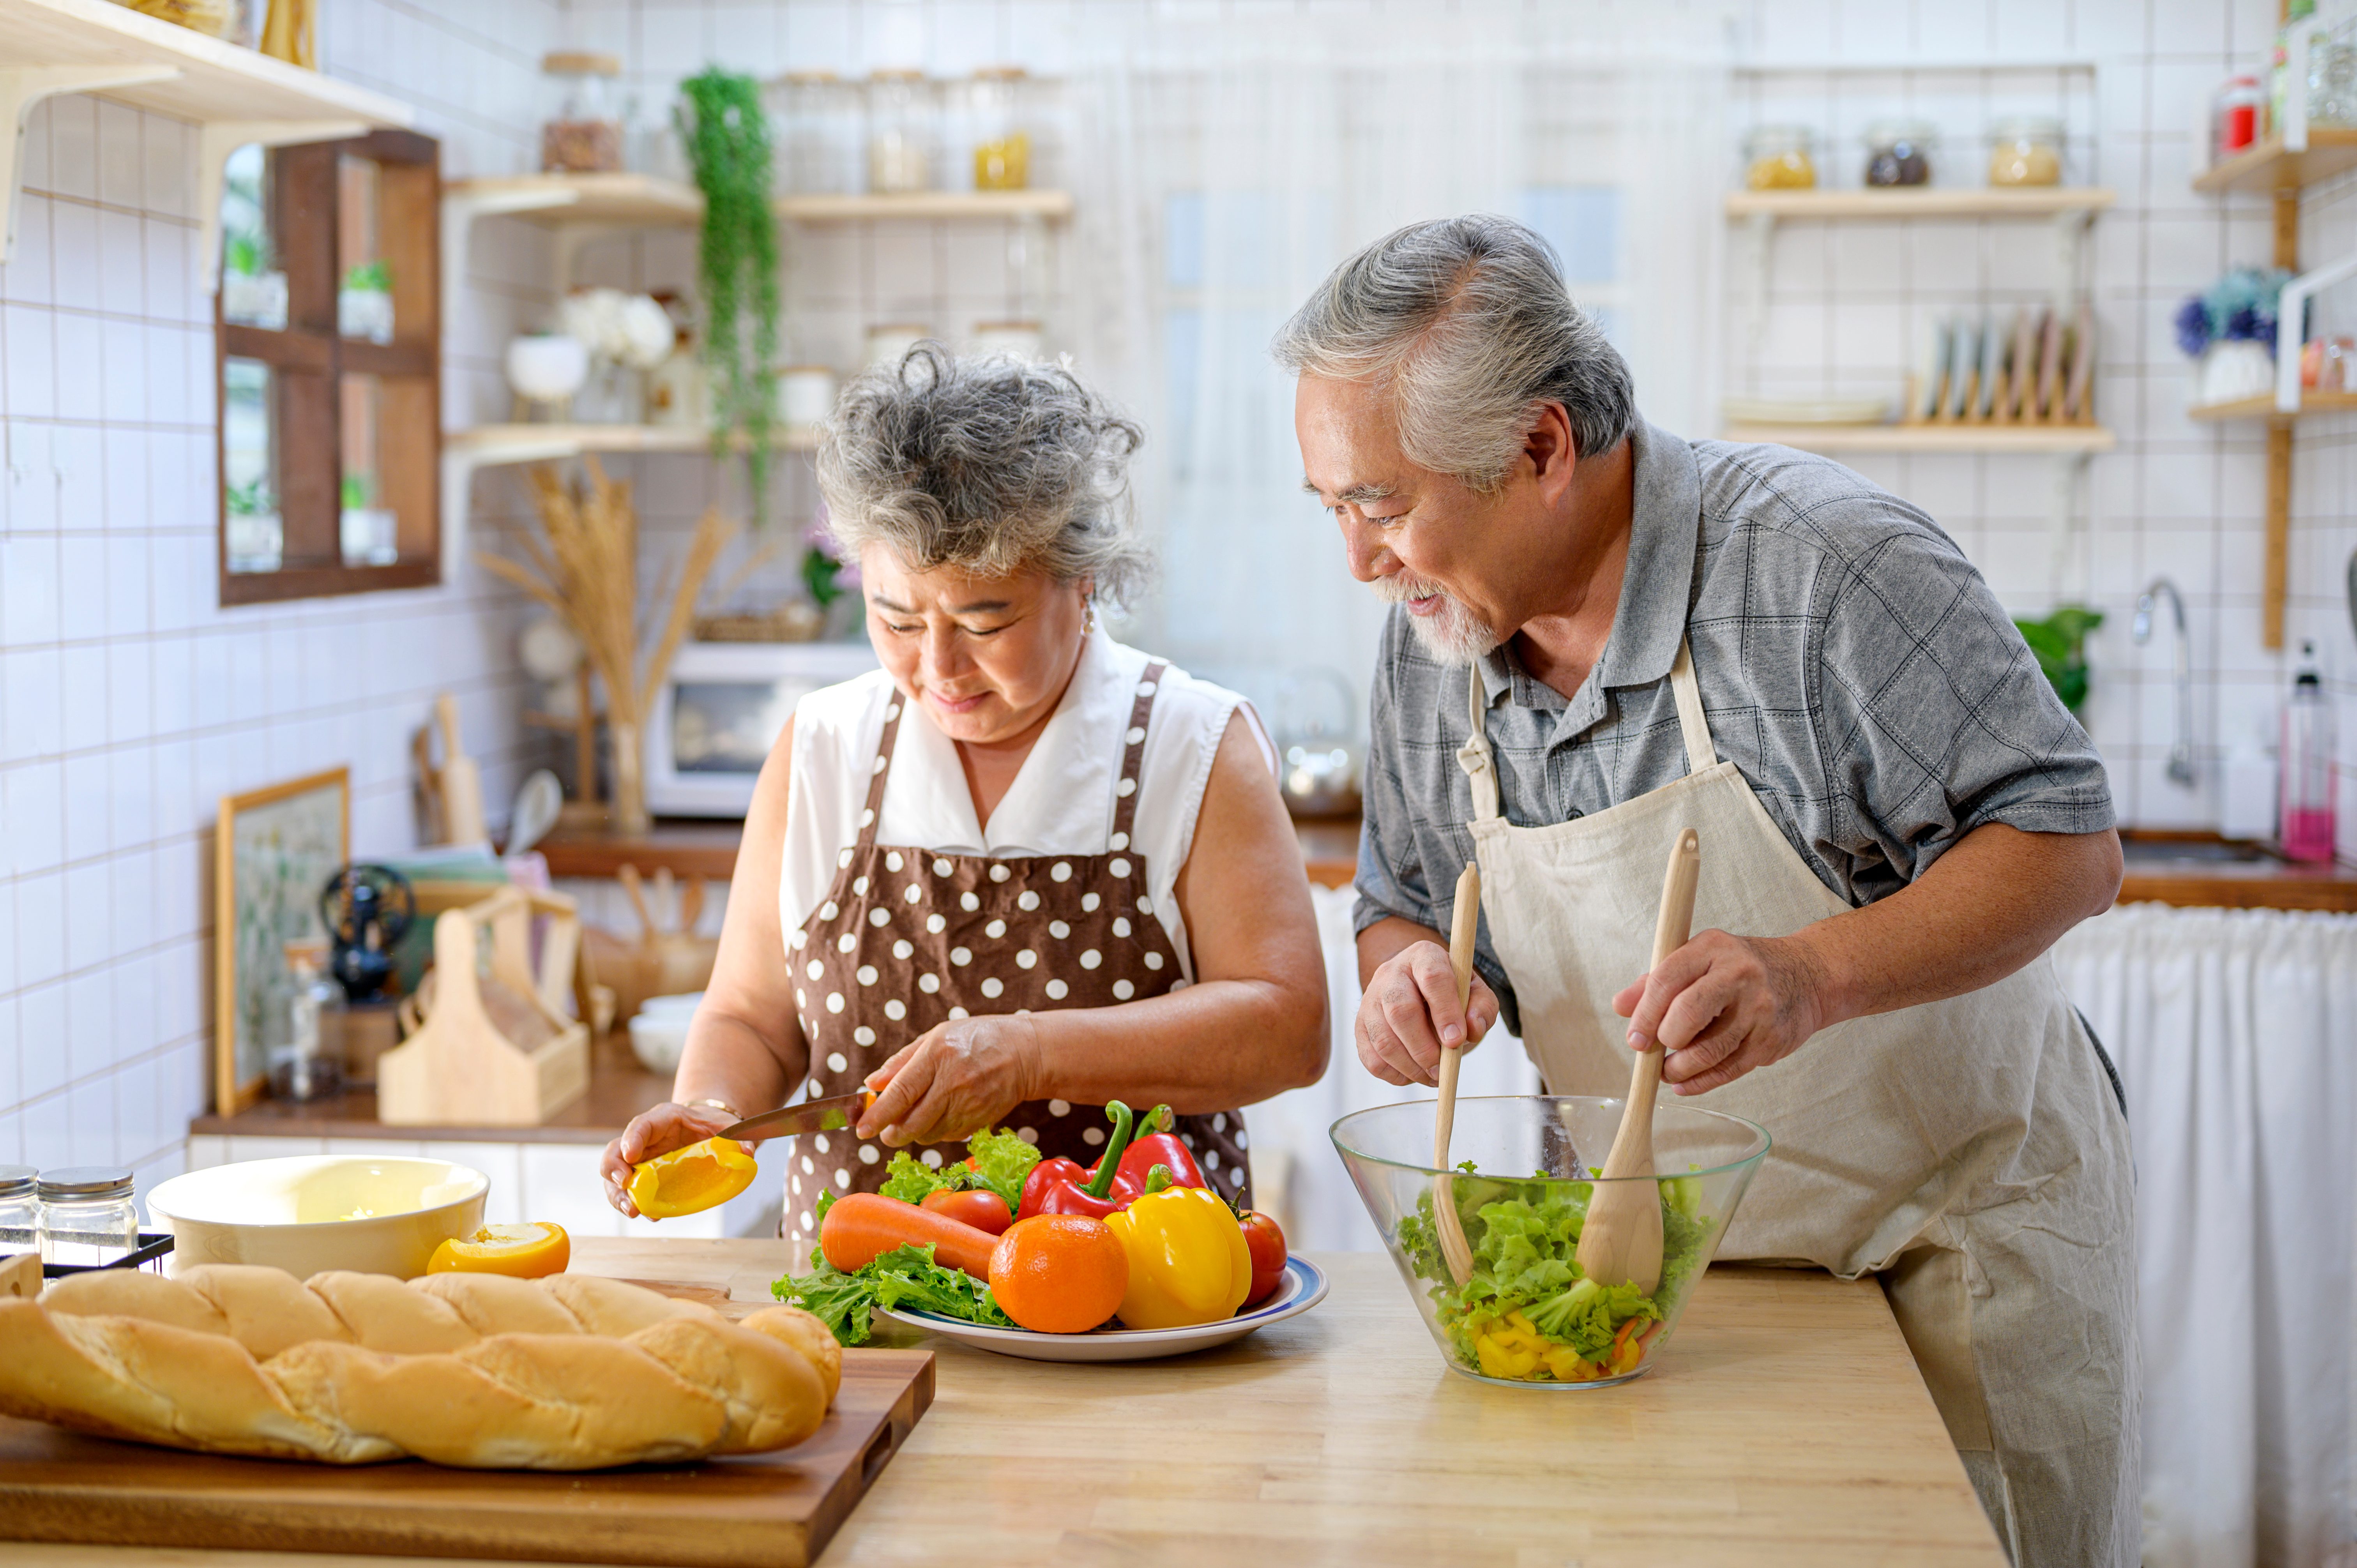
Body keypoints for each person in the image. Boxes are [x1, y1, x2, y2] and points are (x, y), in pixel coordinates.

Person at [1278, 216, 2134, 1568]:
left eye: (1379, 506)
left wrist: (1811, 972)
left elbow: (2066, 844)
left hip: (1931, 1261)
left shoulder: (1821, 568)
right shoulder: (1431, 637)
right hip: (1650, 1290)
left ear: (1540, 448)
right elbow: (1404, 891)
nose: (1359, 562)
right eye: (1331, 506)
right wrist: (1404, 970)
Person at [603, 346, 1327, 1243]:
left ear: (1082, 579)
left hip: (1138, 1309)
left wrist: (1029, 1052)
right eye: (898, 619)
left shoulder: (1191, 743)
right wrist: (713, 1108)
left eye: (988, 621)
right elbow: (754, 1014)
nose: (937, 668)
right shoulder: (824, 747)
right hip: (867, 1303)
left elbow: (1288, 1027)